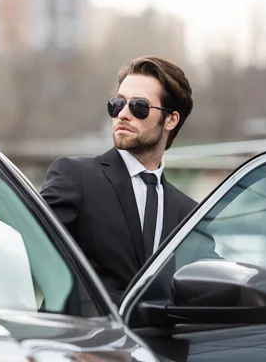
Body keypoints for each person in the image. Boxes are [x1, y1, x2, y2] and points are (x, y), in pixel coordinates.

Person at [40, 56, 211, 305]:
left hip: (159, 344)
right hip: (81, 341)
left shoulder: (190, 214)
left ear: (171, 120)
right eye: (117, 104)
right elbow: (30, 250)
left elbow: (214, 287)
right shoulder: (75, 177)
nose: (123, 114)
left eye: (139, 106)